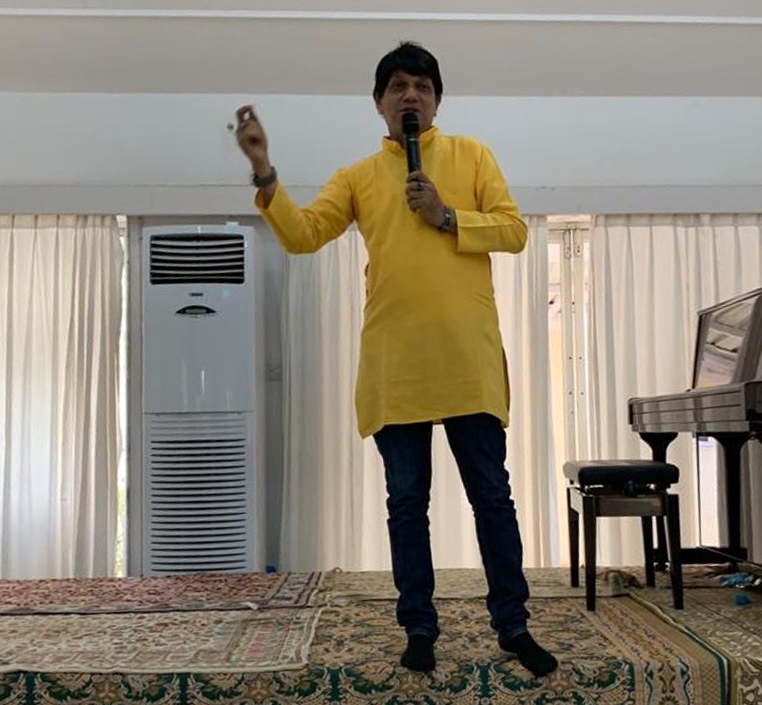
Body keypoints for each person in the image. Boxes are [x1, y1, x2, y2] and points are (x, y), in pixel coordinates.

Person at [235, 41, 557, 677]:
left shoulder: (471, 155)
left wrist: (446, 215)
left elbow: (514, 231)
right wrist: (265, 171)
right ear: (378, 102)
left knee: (493, 499)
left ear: (438, 100)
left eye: (423, 86)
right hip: (397, 364)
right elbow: (302, 236)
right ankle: (419, 627)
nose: (412, 95)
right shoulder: (358, 176)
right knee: (407, 504)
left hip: (466, 361)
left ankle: (513, 625)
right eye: (399, 86)